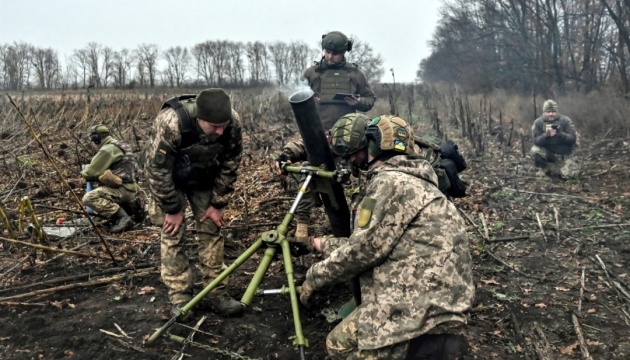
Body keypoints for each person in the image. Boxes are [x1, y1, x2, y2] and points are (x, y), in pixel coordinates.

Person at [298, 115, 475, 359]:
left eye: (357, 153)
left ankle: (421, 348)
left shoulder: (390, 183)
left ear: (375, 146)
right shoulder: (412, 179)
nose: (352, 160)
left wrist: (313, 278)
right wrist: (319, 243)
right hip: (442, 297)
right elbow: (373, 242)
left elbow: (361, 253)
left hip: (420, 305)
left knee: (339, 346)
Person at [144, 88, 244, 317]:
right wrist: (172, 209)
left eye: (223, 125)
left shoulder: (233, 123)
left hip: (204, 176)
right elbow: (156, 170)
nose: (220, 131)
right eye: (213, 126)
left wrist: (218, 204)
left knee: (212, 229)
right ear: (199, 119)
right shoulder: (171, 123)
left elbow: (231, 162)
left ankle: (216, 292)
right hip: (170, 180)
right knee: (173, 233)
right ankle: (180, 298)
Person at [81, 124, 138, 234]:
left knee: (89, 198)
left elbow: (89, 173)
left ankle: (123, 218)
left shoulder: (107, 149)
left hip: (123, 189)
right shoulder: (120, 145)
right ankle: (126, 210)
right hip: (131, 188)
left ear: (96, 139)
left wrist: (84, 170)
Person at [530, 99, 580, 179]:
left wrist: (561, 135)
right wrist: (545, 136)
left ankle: (558, 168)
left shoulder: (566, 121)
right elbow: (536, 141)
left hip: (564, 154)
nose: (550, 114)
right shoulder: (538, 122)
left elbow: (573, 139)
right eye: (548, 112)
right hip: (548, 153)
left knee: (570, 176)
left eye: (553, 112)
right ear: (544, 112)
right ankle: (545, 167)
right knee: (534, 150)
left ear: (557, 111)